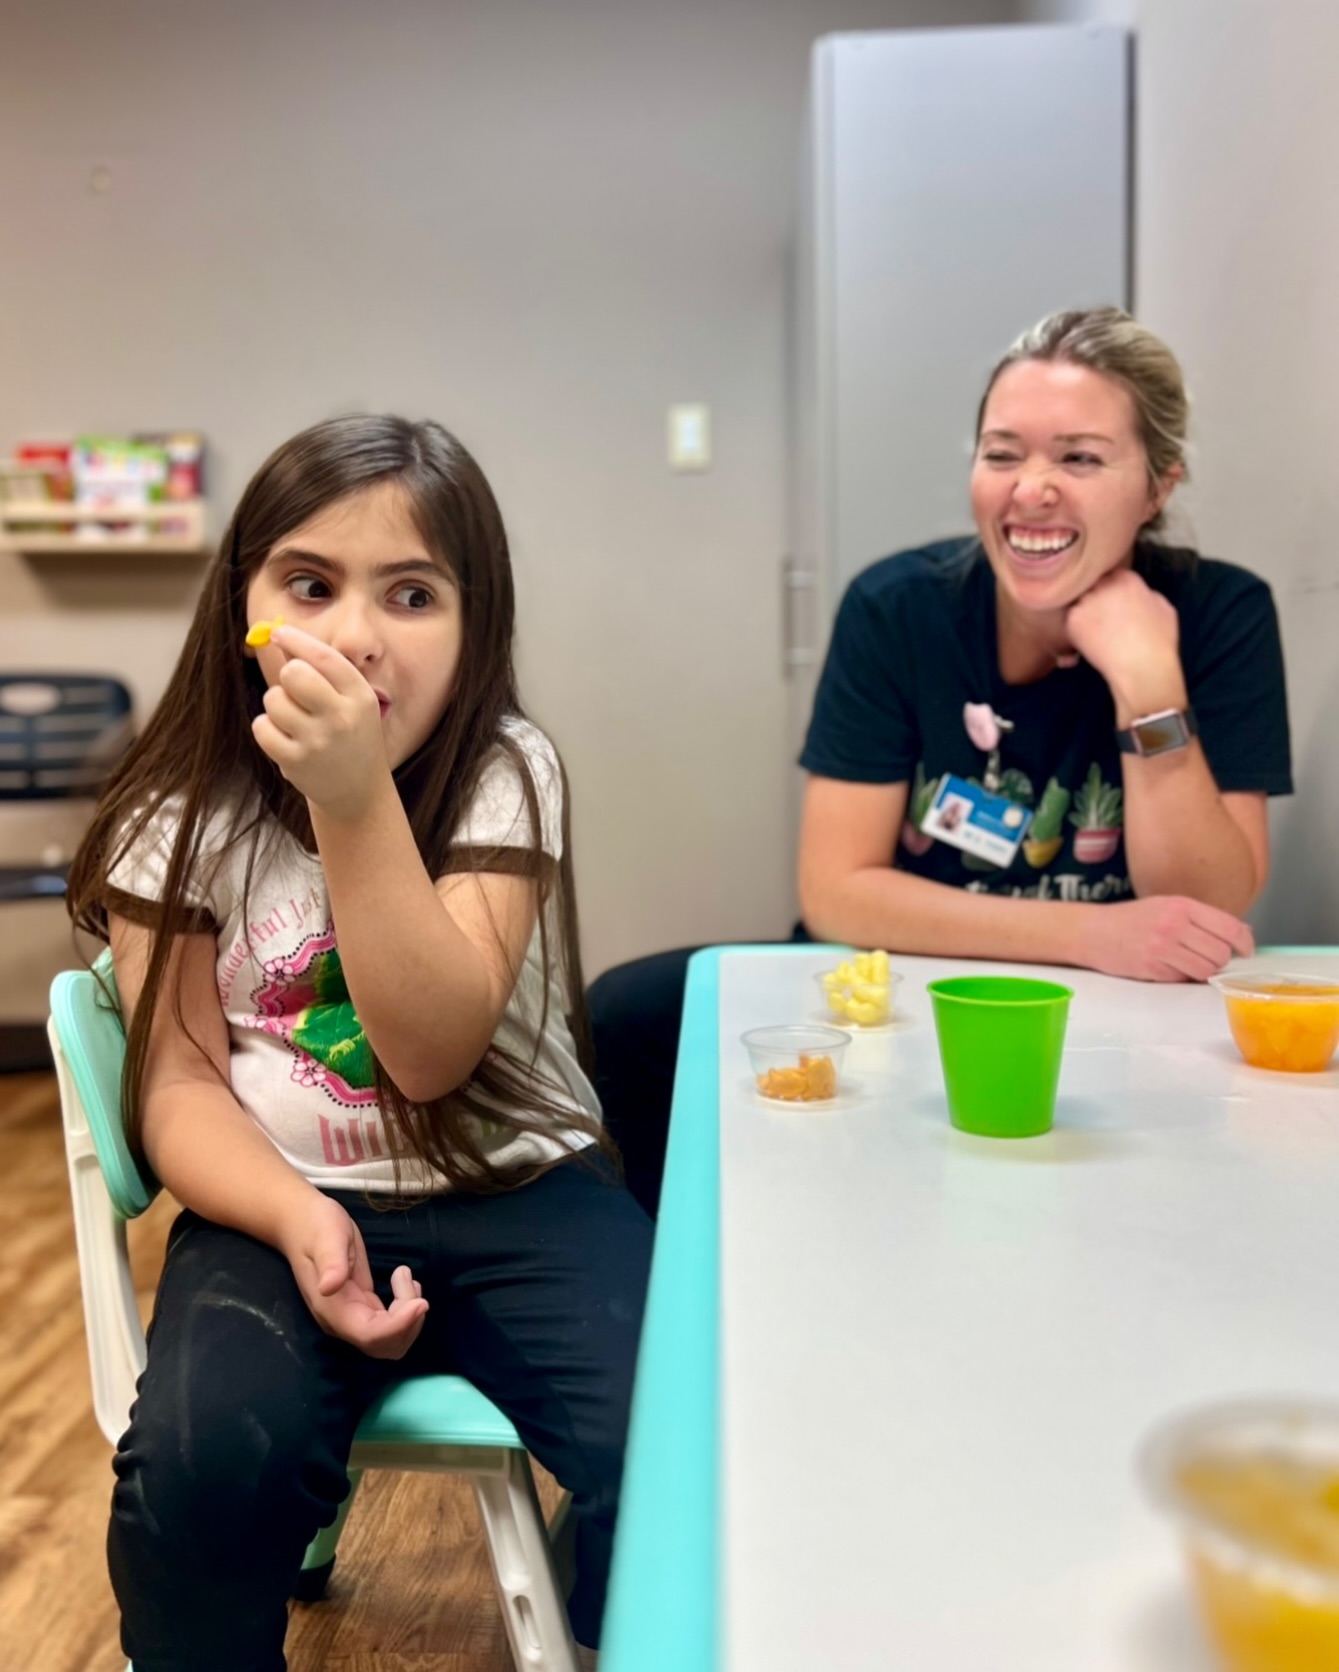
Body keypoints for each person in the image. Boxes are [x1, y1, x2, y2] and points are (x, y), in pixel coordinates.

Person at [67, 415, 651, 1671]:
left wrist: (353, 796)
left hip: (519, 1184)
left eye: (413, 593)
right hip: (275, 1196)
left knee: (679, 1437)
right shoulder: (178, 806)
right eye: (310, 584)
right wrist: (287, 1212)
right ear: (244, 605)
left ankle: (607, 1624)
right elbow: (175, 1081)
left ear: (475, 625)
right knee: (200, 1469)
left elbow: (431, 1051)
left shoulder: (507, 768)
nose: (355, 634)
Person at [591, 307, 1292, 1215]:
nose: (1029, 489)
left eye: (1078, 458)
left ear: (1157, 486)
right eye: (1002, 454)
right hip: (897, 998)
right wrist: (1092, 933)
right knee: (627, 1011)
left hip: (1112, 1021)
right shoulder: (897, 608)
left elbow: (1205, 899)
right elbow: (837, 890)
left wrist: (1148, 683)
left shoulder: (1221, 614)